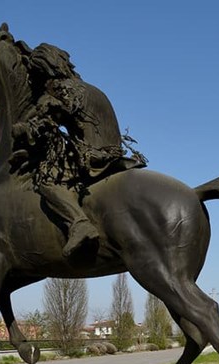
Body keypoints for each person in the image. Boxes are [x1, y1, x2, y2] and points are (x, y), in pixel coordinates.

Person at [10, 43, 146, 256]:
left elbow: (47, 123)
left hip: (93, 157)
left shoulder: (59, 90)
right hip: (114, 152)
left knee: (47, 182)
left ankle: (79, 223)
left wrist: (23, 129)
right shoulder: (87, 88)